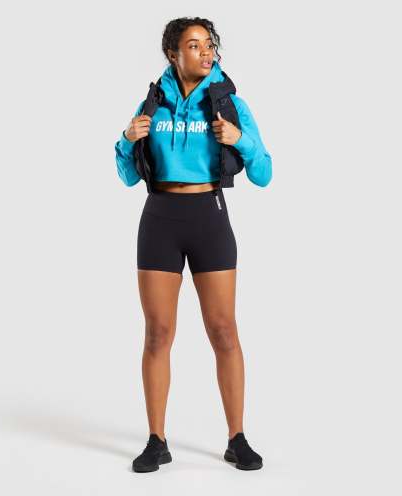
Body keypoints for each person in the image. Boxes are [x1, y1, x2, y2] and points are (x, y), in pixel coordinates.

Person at [114, 17, 272, 472]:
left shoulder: (229, 103)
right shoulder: (153, 103)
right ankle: (156, 441)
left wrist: (240, 140)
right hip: (160, 218)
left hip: (209, 216)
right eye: (194, 45)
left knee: (223, 330)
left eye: (209, 44)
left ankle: (237, 438)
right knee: (157, 333)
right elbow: (127, 176)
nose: (206, 52)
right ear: (173, 54)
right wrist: (126, 139)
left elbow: (264, 174)